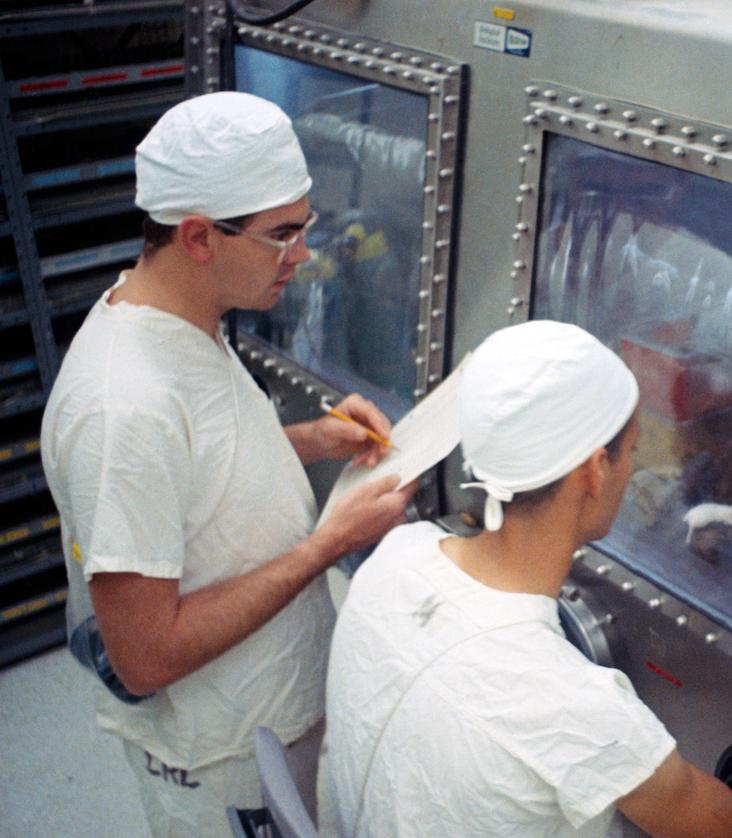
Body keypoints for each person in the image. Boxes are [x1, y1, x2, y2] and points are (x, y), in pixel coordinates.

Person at [39, 91, 416, 836]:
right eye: (282, 234)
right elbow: (145, 656)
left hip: (267, 710)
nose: (303, 254)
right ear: (200, 237)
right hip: (223, 759)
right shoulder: (124, 407)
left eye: (303, 227)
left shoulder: (181, 320)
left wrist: (313, 438)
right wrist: (329, 545)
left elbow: (197, 471)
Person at [326, 320, 732, 837]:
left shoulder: (396, 556)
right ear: (594, 470)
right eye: (632, 451)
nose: (633, 470)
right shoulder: (577, 711)